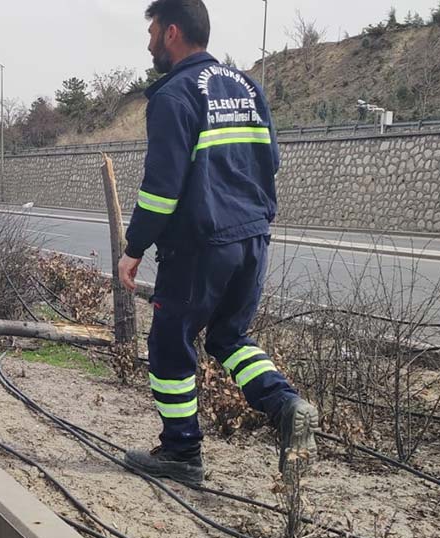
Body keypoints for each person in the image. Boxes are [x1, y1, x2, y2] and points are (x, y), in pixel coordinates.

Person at [117, 0, 318, 486]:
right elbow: (270, 163)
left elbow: (161, 190)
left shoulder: (175, 95)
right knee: (229, 338)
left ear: (171, 33)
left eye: (150, 33)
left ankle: (181, 453)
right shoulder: (249, 87)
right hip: (252, 239)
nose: (147, 44)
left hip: (200, 244)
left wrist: (134, 247)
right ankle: (286, 404)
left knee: (169, 343)